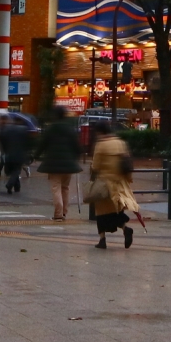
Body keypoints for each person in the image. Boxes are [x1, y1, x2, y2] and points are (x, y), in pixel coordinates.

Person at [88, 120, 140, 248]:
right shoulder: (120, 143)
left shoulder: (100, 145)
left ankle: (102, 239)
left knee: (101, 212)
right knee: (115, 211)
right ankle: (125, 228)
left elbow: (95, 166)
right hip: (119, 183)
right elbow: (127, 163)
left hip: (104, 184)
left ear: (99, 132)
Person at [40, 106, 83, 220]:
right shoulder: (70, 129)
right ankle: (64, 212)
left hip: (53, 164)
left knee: (56, 188)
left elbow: (43, 144)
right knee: (65, 187)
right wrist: (76, 157)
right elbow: (77, 146)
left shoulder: (51, 128)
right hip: (69, 164)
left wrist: (35, 155)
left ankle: (58, 213)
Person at [0, 120, 32, 194]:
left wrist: (4, 150)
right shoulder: (24, 130)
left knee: (12, 171)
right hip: (19, 154)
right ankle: (9, 184)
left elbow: (2, 139)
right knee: (16, 171)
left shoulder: (8, 129)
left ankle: (17, 187)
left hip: (9, 154)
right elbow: (27, 143)